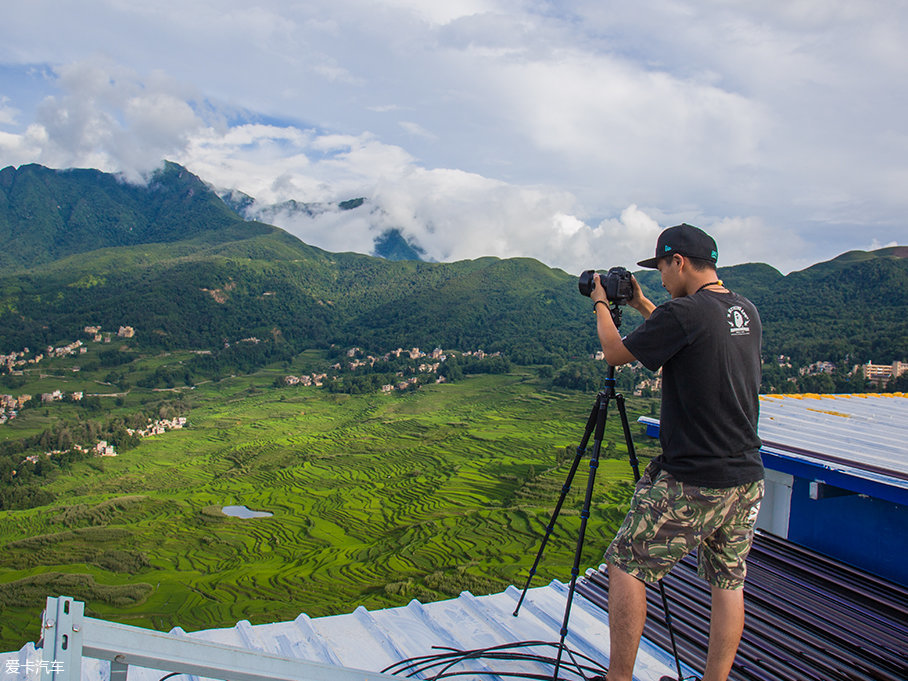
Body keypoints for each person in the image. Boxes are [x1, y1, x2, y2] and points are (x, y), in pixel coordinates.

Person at [588, 223, 764, 681]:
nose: (661, 277)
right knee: (727, 582)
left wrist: (602, 302)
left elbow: (614, 352)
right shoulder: (743, 310)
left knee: (626, 564)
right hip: (746, 476)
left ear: (679, 261)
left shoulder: (685, 313)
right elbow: (682, 336)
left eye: (662, 267)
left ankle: (618, 679)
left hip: (694, 477)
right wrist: (643, 303)